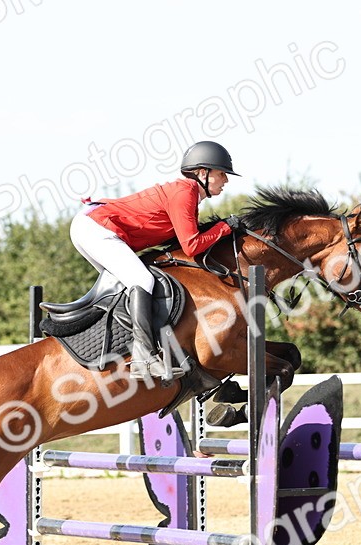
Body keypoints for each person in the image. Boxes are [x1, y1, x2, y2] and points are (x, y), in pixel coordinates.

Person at [70, 140, 246, 380]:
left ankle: (127, 348)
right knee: (141, 279)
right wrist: (225, 228)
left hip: (92, 225)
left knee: (128, 287)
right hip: (96, 228)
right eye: (222, 173)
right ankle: (143, 357)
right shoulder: (185, 192)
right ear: (202, 173)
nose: (226, 180)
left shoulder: (188, 194)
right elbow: (192, 245)